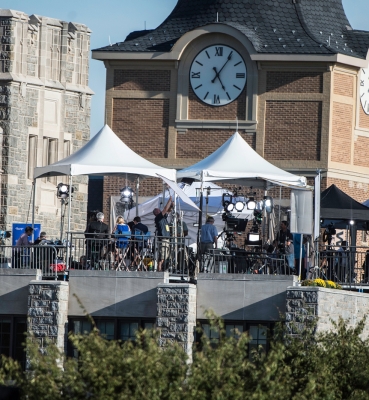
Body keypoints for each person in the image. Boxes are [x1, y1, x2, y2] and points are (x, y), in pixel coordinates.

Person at [153, 196, 174, 271]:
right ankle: (159, 270)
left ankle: (161, 268)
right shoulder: (158, 218)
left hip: (166, 238)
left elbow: (168, 211)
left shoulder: (163, 218)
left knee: (165, 256)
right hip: (163, 239)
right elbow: (165, 209)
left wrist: (171, 206)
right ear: (157, 213)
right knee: (162, 256)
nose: (160, 211)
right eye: (159, 210)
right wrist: (169, 200)